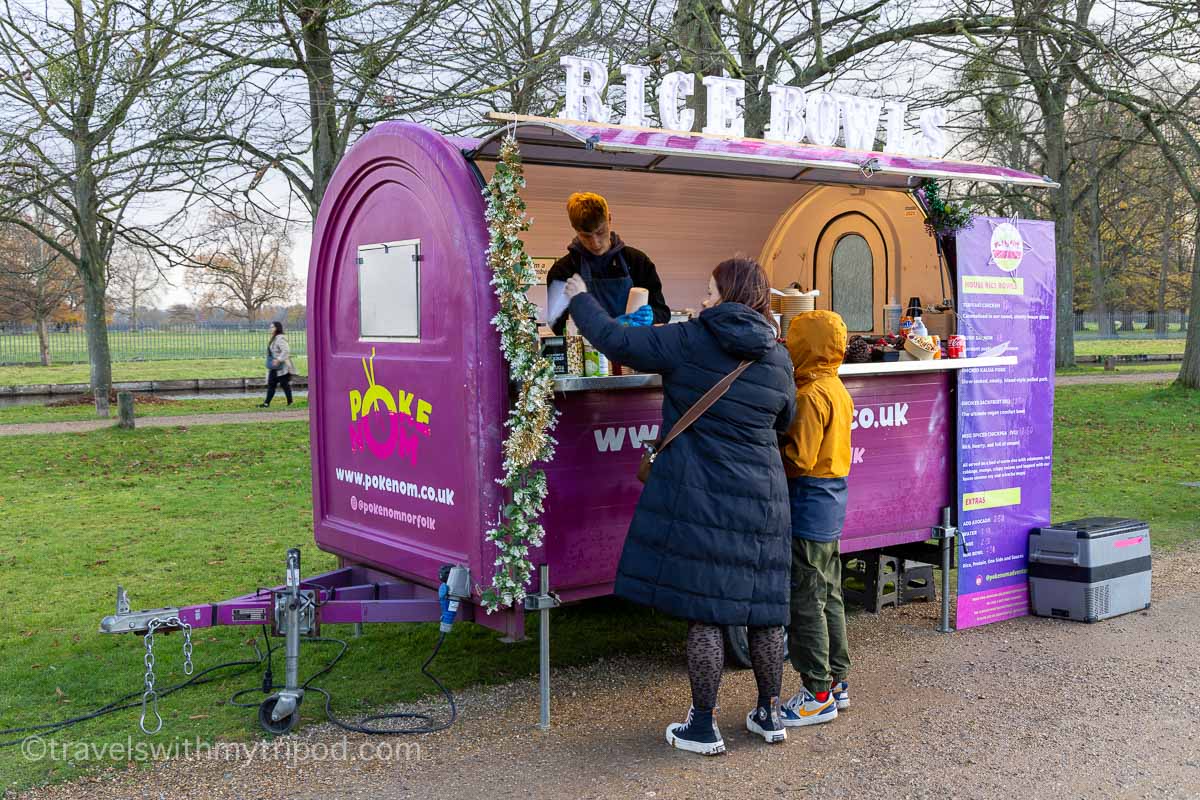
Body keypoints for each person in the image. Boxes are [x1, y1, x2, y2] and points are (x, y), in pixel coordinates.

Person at [564, 257, 796, 755]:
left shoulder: (691, 339)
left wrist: (580, 297)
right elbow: (786, 419)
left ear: (728, 294)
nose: (707, 299)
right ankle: (770, 715)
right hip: (764, 499)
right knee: (765, 611)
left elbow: (617, 341)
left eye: (711, 291)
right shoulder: (777, 354)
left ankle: (704, 726)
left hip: (702, 496)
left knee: (706, 613)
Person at [778, 310, 854, 728]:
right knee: (830, 593)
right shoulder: (836, 387)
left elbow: (799, 459)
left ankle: (817, 693)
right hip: (833, 500)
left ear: (804, 347)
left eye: (792, 342)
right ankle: (838, 682)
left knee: (806, 599)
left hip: (808, 501)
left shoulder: (809, 396)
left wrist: (769, 452)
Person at [547, 192, 670, 334]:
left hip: (632, 350)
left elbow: (663, 312)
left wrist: (652, 317)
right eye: (586, 236)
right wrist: (606, 327)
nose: (595, 243)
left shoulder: (637, 262)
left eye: (600, 232)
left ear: (609, 219)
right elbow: (557, 324)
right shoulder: (563, 271)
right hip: (589, 352)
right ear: (575, 230)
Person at [259, 321, 294, 408]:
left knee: (284, 385)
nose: (271, 329)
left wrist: (278, 359)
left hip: (282, 367)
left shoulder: (280, 338)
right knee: (271, 384)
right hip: (275, 366)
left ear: (277, 328)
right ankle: (266, 403)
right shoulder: (275, 338)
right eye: (270, 327)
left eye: (272, 327)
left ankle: (290, 402)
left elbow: (286, 350)